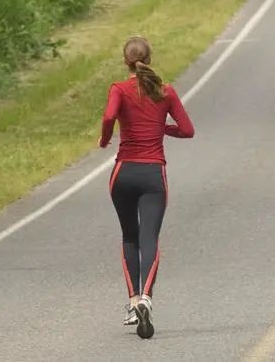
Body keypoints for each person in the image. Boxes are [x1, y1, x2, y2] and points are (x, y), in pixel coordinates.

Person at [99, 36, 194, 339]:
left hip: (123, 172)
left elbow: (109, 116)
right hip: (154, 174)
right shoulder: (165, 92)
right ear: (149, 59)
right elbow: (188, 130)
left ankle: (131, 302)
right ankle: (146, 299)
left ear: (125, 60)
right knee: (149, 237)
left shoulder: (119, 89)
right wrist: (160, 127)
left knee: (129, 237)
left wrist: (104, 139)